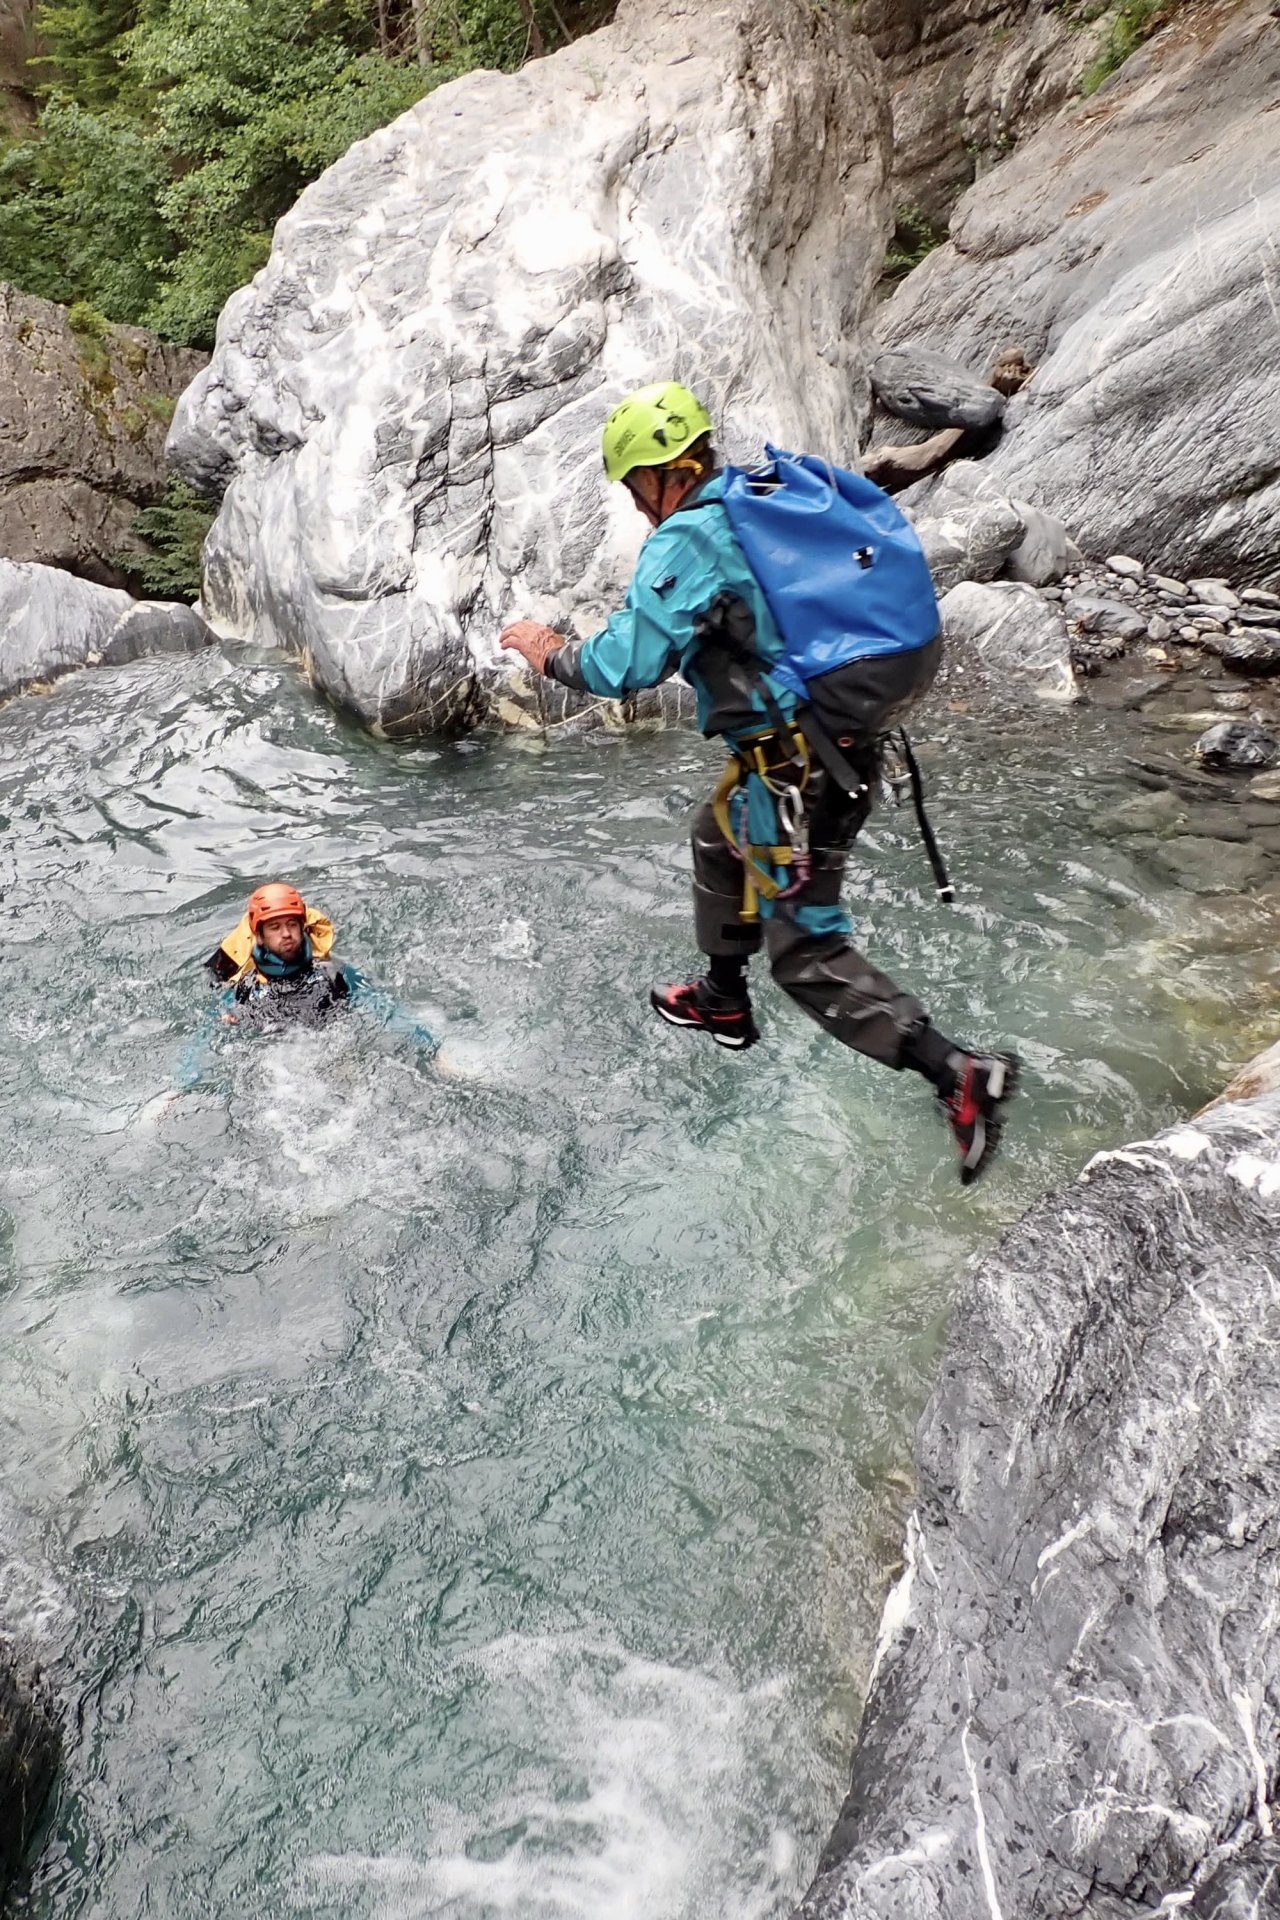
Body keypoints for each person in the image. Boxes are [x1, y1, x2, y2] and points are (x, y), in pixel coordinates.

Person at [500, 381, 1019, 1184]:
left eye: (638, 484)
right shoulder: (759, 498)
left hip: (800, 763)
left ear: (668, 471)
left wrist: (547, 650)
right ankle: (721, 996)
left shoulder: (691, 538)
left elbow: (625, 666)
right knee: (716, 838)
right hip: (823, 737)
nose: (638, 505)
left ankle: (956, 1072)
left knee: (805, 949)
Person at [177, 882, 437, 1086]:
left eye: (292, 924)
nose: (286, 933)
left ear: (303, 926)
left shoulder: (334, 973)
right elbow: (205, 1035)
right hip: (275, 1066)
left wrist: (434, 1048)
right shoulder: (244, 989)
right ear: (259, 935)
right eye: (275, 927)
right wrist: (182, 1083)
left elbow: (386, 1007)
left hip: (336, 1053)